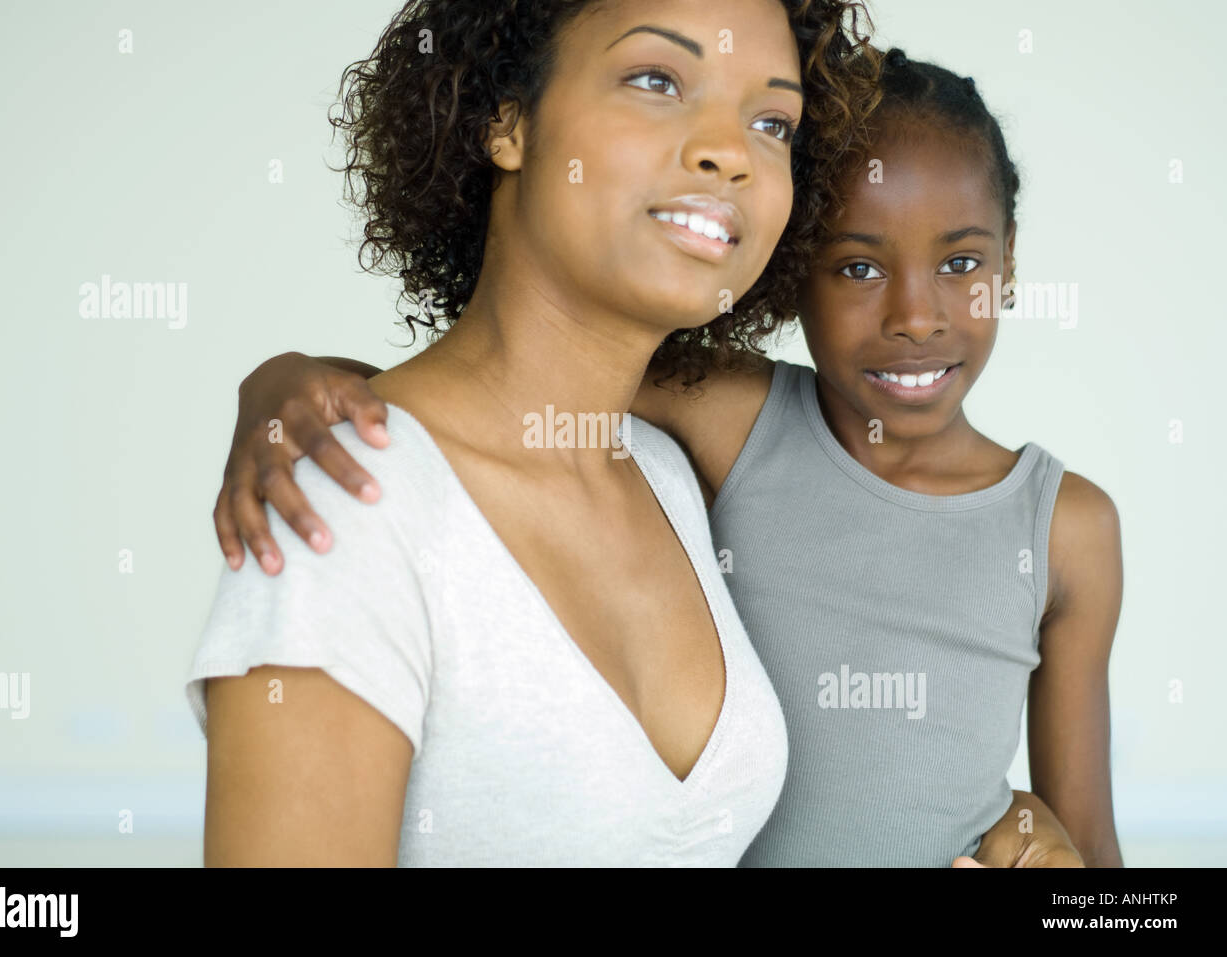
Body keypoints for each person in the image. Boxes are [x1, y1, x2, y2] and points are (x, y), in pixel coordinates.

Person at [211, 50, 1120, 866]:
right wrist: (286, 379)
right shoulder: (735, 418)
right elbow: (501, 399)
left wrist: (1044, 849)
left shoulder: (1066, 527)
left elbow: (1094, 855)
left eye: (963, 265)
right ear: (789, 268)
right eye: (856, 268)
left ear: (1010, 260)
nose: (917, 317)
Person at [188, 0, 885, 866]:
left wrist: (1004, 820)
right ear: (505, 120)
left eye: (772, 121)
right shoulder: (345, 498)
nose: (730, 151)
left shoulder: (671, 478)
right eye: (657, 79)